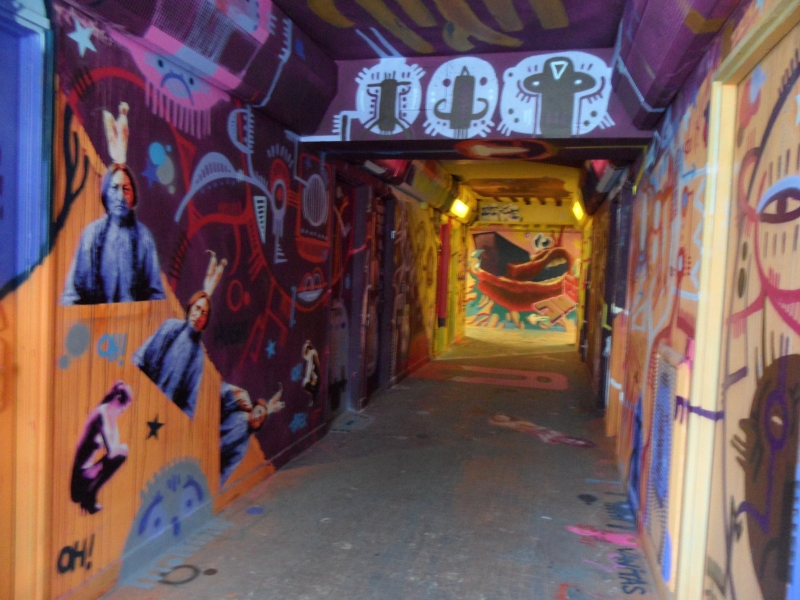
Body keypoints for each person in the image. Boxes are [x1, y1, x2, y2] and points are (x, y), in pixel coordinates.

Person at [61, 164, 165, 304]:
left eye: (126, 189)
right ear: (105, 193)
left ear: (133, 196)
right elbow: (71, 295)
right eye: (114, 188)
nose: (120, 197)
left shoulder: (144, 237)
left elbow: (156, 296)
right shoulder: (90, 235)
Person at [133, 291, 209, 418]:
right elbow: (139, 357)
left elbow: (189, 404)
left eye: (204, 313)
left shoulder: (198, 356)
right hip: (142, 394)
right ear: (190, 307)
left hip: (163, 414)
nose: (198, 316)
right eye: (197, 308)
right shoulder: (170, 326)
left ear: (205, 322)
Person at [71, 381, 133, 514]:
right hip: (79, 481)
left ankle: (90, 494)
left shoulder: (107, 415)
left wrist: (113, 421)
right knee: (123, 450)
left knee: (122, 452)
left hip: (87, 476)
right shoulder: (101, 415)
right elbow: (112, 452)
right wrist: (122, 448)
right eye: (122, 409)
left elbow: (115, 449)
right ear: (117, 400)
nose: (121, 413)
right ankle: (90, 495)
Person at [219, 383, 284, 486]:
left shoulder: (243, 445)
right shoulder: (239, 409)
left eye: (261, 419)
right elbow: (223, 390)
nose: (258, 417)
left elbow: (226, 470)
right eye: (258, 412)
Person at [301, 341, 321, 406]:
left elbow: (305, 356)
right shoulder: (310, 353)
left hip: (313, 372)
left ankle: (315, 396)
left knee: (307, 385)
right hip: (310, 372)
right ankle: (314, 396)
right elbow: (304, 356)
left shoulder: (312, 352)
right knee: (305, 385)